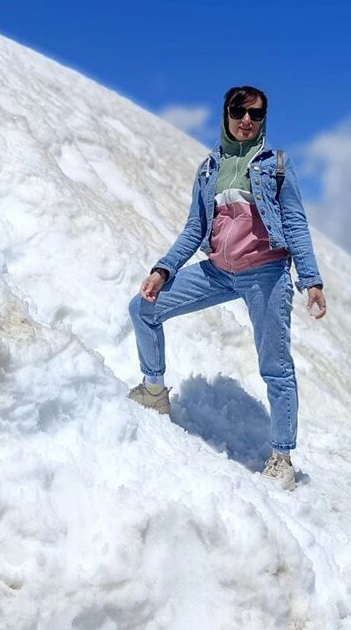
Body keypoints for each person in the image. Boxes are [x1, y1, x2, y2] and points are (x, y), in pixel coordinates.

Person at [127, 85, 327, 491]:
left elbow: (296, 225)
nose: (246, 120)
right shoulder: (208, 169)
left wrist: (311, 280)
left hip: (265, 275)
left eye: (255, 114)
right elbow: (194, 230)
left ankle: (281, 457)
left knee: (275, 367)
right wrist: (163, 271)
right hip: (218, 271)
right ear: (226, 114)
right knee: (143, 308)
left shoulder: (277, 165)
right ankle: (153, 391)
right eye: (239, 112)